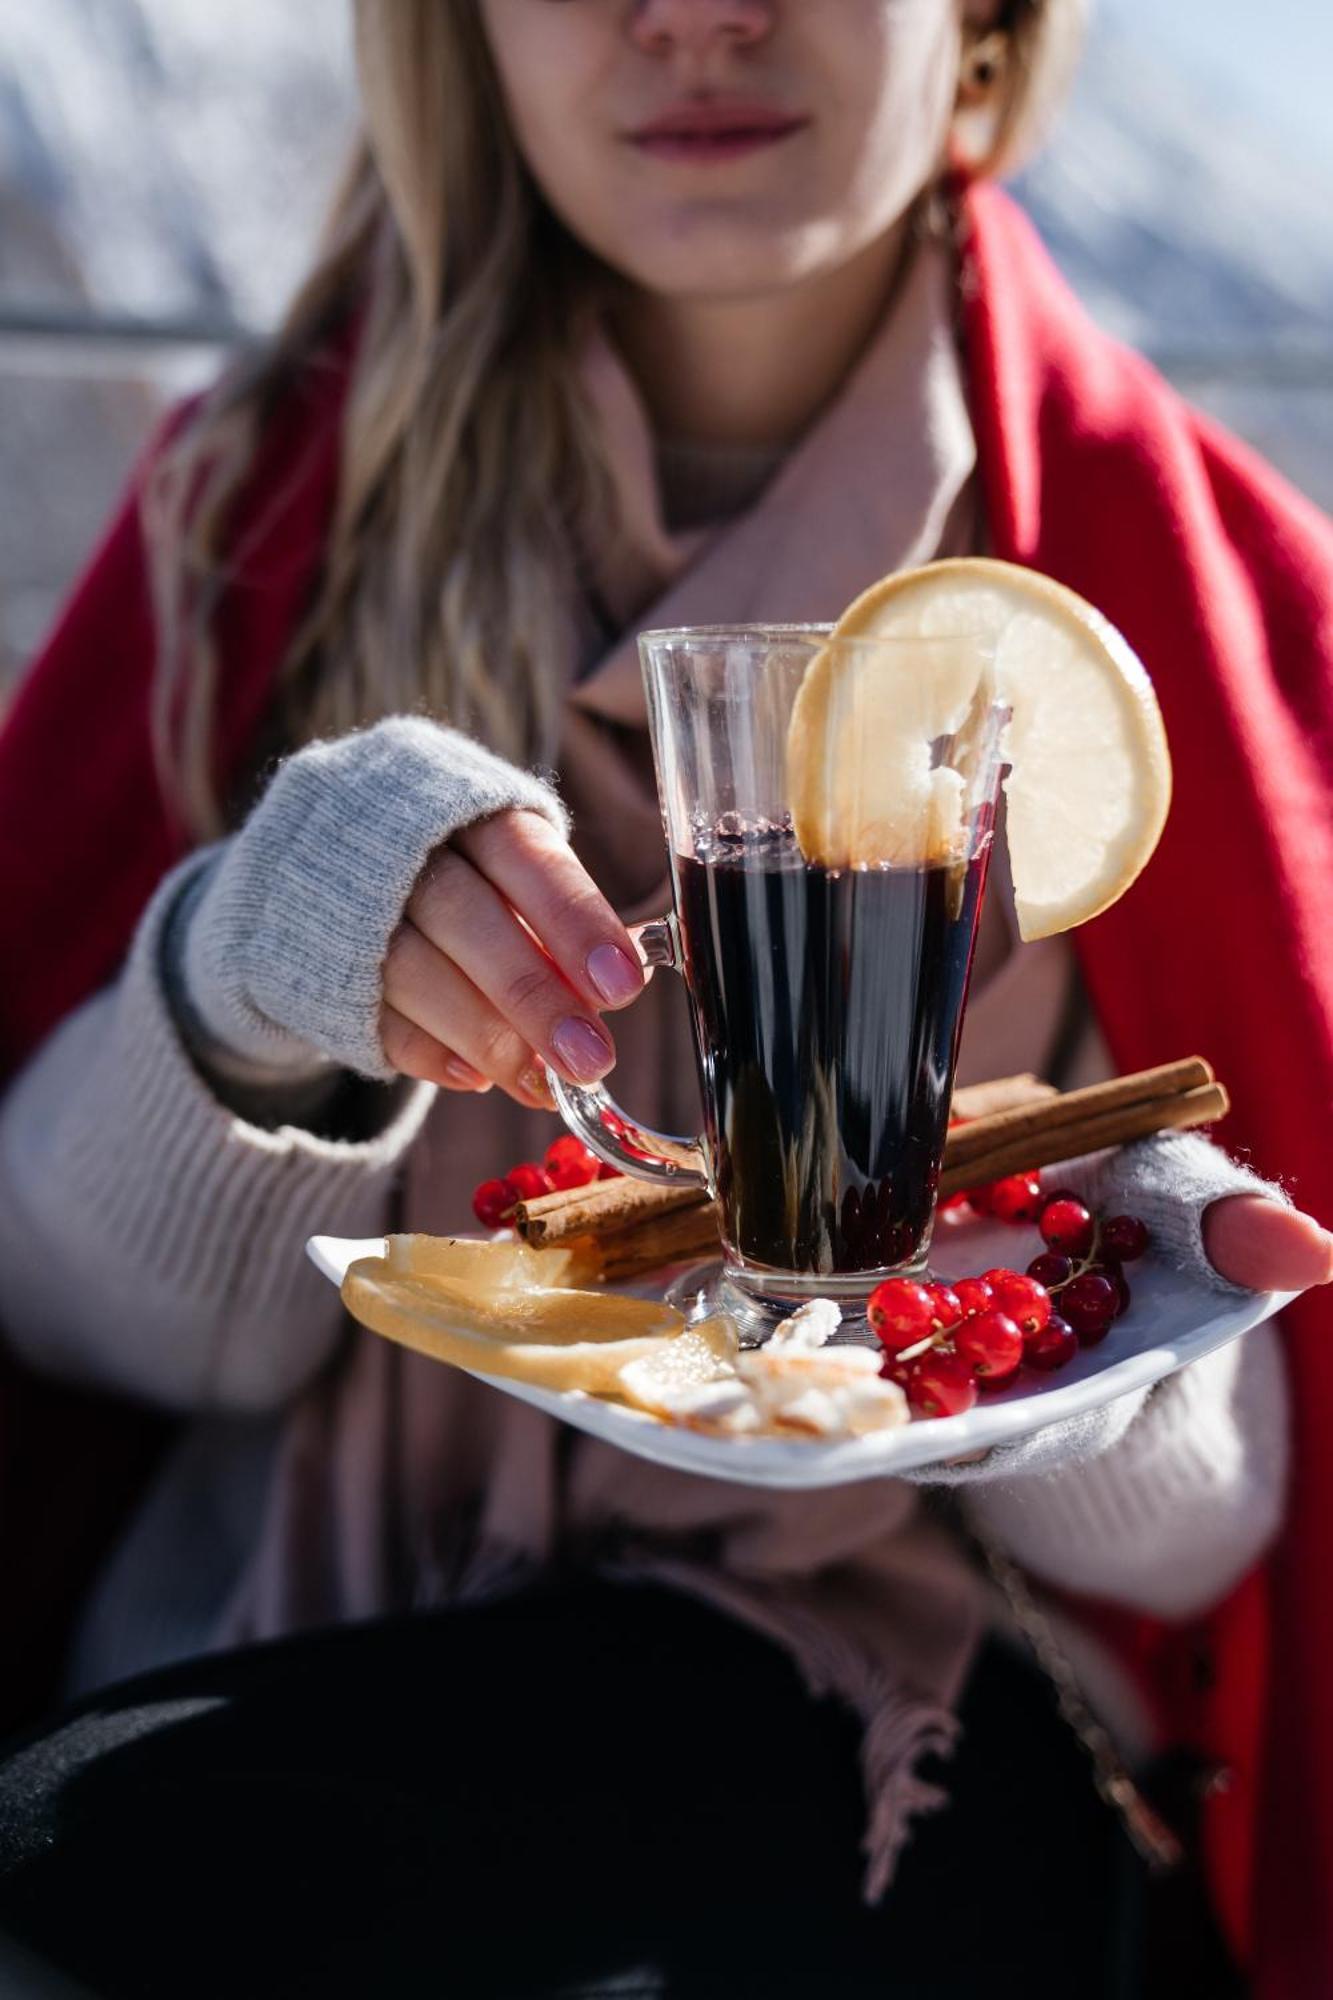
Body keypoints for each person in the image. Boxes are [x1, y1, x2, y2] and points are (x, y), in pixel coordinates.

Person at [0, 2, 1330, 1994]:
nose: (692, 11)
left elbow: (1198, 1555)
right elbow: (87, 1334)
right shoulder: (254, 514)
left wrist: (1108, 1318)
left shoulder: (1172, 614)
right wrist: (254, 959)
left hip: (910, 1721)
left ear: (979, 22)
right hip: (279, 1655)